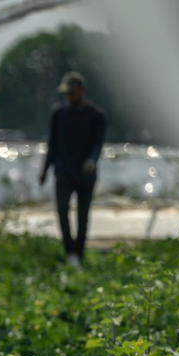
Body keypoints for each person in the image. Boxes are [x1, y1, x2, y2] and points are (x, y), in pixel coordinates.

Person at [39, 71, 107, 269]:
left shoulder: (97, 116)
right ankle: (69, 253)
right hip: (63, 171)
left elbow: (98, 143)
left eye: (72, 93)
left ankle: (80, 253)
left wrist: (92, 160)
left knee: (83, 215)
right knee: (62, 211)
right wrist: (44, 169)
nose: (68, 97)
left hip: (86, 173)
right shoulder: (58, 114)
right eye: (66, 94)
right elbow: (52, 144)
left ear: (81, 91)